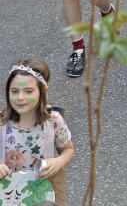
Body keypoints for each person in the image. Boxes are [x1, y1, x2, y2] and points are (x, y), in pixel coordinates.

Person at [0, 57, 74, 202]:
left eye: (28, 91)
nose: (20, 97)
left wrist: (59, 162)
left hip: (41, 194)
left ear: (43, 91)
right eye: (14, 91)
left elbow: (68, 149)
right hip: (7, 194)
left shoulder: (53, 121)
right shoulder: (2, 123)